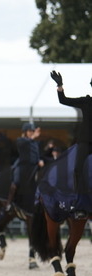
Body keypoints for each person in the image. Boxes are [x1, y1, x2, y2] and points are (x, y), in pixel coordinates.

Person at [50, 69, 92, 204]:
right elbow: (63, 100)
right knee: (78, 168)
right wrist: (60, 86)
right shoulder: (86, 101)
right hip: (85, 140)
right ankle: (80, 201)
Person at [5, 122, 44, 211]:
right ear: (25, 132)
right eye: (30, 131)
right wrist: (33, 137)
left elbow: (36, 154)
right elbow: (25, 144)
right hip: (23, 166)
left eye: (32, 131)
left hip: (33, 167)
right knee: (16, 182)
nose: (32, 133)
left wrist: (39, 160)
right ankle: (9, 202)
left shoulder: (34, 143)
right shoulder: (20, 140)